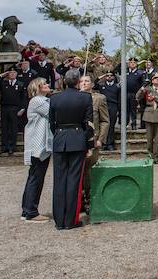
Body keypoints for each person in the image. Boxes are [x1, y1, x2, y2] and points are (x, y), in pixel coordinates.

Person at [48, 72, 93, 230]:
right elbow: (89, 125)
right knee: (74, 181)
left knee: (59, 180)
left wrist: (59, 135)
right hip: (77, 139)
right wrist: (88, 144)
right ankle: (71, 220)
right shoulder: (85, 98)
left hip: (60, 139)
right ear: (77, 82)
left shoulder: (54, 98)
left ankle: (59, 220)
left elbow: (51, 123)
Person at [21, 78, 53, 222]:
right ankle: (31, 212)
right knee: (36, 178)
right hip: (38, 146)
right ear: (38, 87)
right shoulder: (38, 101)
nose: (47, 85)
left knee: (33, 177)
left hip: (38, 145)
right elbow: (53, 113)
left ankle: (26, 209)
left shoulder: (42, 101)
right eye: (44, 84)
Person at [78, 73, 108, 210]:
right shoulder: (75, 98)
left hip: (93, 140)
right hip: (77, 141)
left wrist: (100, 139)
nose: (84, 83)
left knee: (89, 172)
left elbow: (104, 121)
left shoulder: (99, 99)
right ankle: (79, 200)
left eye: (87, 81)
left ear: (92, 84)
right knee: (78, 172)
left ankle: (90, 199)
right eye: (81, 81)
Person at [0, 68, 27, 155]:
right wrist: (2, 75)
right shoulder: (3, 83)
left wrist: (22, 109)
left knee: (13, 128)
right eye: (10, 73)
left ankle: (12, 147)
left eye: (14, 73)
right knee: (4, 128)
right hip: (5, 108)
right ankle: (4, 147)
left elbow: (24, 97)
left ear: (16, 74)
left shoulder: (20, 84)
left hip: (15, 108)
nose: (12, 74)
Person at [137, 73, 158, 162]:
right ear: (152, 80)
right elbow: (137, 97)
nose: (157, 80)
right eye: (155, 78)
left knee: (157, 138)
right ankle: (150, 154)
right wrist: (142, 88)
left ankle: (156, 157)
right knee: (149, 138)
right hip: (148, 114)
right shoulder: (148, 89)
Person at [94, 72, 120, 150]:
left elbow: (119, 99)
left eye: (111, 75)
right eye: (107, 75)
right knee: (103, 125)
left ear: (114, 77)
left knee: (111, 125)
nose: (109, 77)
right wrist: (101, 77)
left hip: (113, 106)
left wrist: (118, 110)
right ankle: (104, 143)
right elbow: (94, 84)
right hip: (103, 107)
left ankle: (110, 143)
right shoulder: (102, 86)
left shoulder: (117, 87)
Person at [124, 58, 145, 129]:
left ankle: (134, 125)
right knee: (125, 110)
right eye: (131, 62)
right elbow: (115, 70)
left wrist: (139, 94)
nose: (132, 64)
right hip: (125, 93)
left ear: (137, 64)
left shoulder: (140, 73)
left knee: (133, 110)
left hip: (134, 94)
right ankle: (125, 124)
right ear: (128, 64)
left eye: (134, 62)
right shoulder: (125, 72)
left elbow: (143, 83)